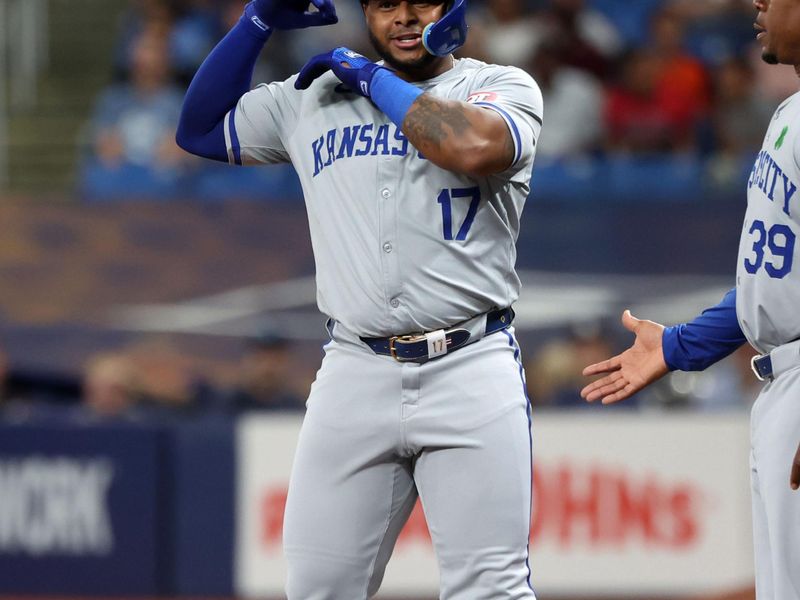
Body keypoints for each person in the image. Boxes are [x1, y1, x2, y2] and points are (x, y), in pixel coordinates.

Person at [176, 0, 542, 597]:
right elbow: (197, 129)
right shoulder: (313, 96)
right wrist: (257, 23)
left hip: (469, 364)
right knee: (317, 587)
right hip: (353, 369)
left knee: (490, 589)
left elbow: (473, 148)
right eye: (383, 4)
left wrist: (373, 79)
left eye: (419, 1)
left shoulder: (496, 84)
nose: (401, 17)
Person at [581, 0, 800, 597]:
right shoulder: (790, 113)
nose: (758, 3)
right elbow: (774, 282)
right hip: (781, 384)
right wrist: (680, 346)